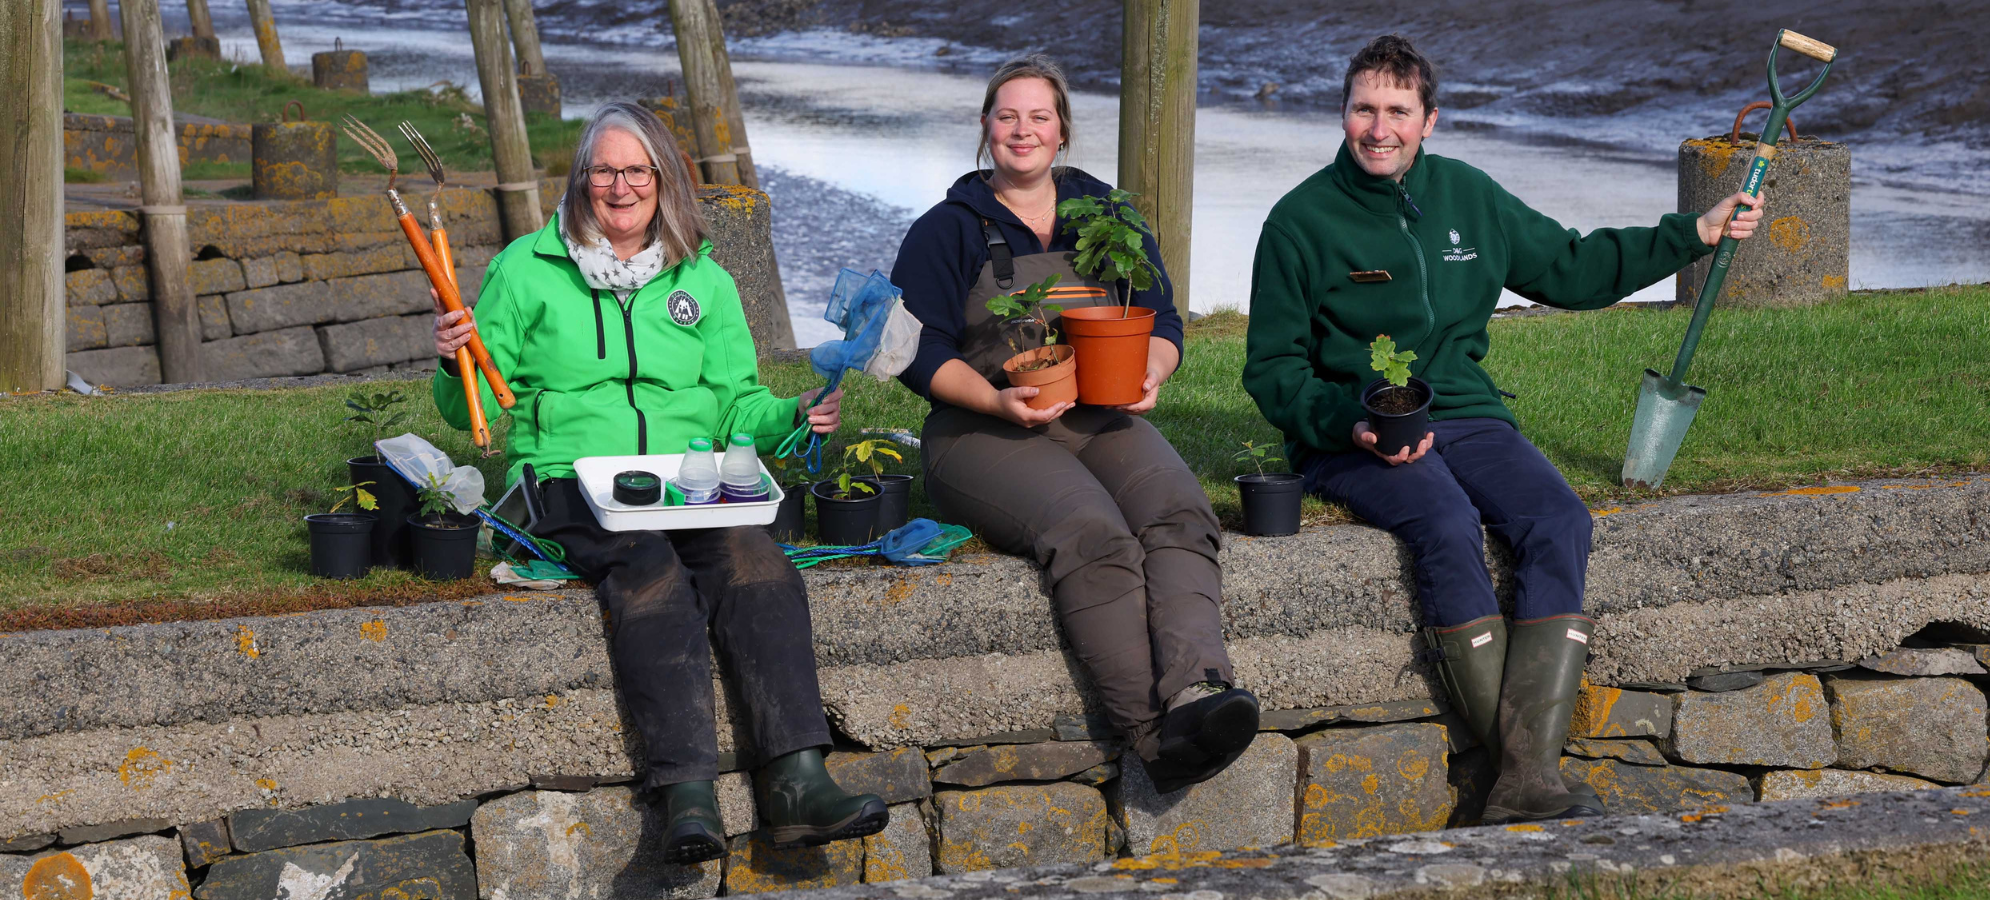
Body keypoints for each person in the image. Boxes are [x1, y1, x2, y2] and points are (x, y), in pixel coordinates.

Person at [1242, 36, 1766, 824]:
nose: (1378, 129)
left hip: (1469, 413)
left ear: (1429, 120)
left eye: (1397, 112)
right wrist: (1348, 423)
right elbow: (1273, 369)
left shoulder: (1470, 197)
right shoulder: (1299, 222)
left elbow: (1575, 268)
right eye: (1363, 109)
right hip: (1351, 437)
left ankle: (1524, 777)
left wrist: (1692, 232)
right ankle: (1524, 772)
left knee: (1559, 518)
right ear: (1343, 113)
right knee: (1448, 522)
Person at [429, 101, 885, 862]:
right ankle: (687, 796)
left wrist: (796, 414)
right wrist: (454, 361)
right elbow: (467, 408)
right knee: (649, 573)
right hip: (568, 479)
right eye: (603, 169)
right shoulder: (523, 269)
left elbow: (738, 402)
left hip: (685, 478)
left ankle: (798, 782)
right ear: (581, 179)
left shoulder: (702, 279)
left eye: (635, 169)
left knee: (756, 560)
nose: (619, 185)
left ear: (662, 178)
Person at [889, 55, 1259, 793]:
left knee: (1180, 511)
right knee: (1092, 533)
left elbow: (1163, 317)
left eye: (1039, 117)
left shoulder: (1106, 213)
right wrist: (995, 400)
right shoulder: (947, 229)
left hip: (1096, 409)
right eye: (1007, 116)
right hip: (980, 428)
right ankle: (1156, 738)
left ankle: (1202, 691)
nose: (1022, 130)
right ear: (985, 128)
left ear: (1062, 131)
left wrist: (1152, 367)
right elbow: (910, 351)